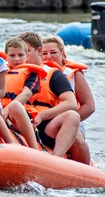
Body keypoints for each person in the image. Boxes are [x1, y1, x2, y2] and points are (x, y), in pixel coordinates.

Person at [17, 31, 86, 164]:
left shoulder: (57, 74)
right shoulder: (8, 72)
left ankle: (58, 162)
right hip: (19, 122)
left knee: (73, 122)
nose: (21, 57)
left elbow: (84, 105)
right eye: (18, 53)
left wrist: (44, 116)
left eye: (25, 52)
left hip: (51, 122)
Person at [40, 35, 93, 165]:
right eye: (44, 53)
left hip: (70, 120)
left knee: (77, 138)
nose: (49, 57)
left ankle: (85, 169)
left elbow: (89, 106)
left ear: (63, 54)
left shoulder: (74, 73)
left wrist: (69, 123)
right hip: (43, 120)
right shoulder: (34, 72)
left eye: (53, 53)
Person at [0, 37, 44, 149]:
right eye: (12, 55)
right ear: (6, 56)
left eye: (20, 55)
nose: (17, 59)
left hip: (19, 115)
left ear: (27, 56)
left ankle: (34, 148)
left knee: (15, 106)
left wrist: (7, 109)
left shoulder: (32, 75)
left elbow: (26, 95)